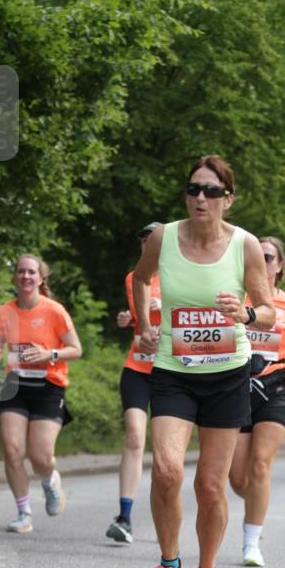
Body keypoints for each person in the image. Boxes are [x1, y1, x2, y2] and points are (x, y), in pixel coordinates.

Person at [132, 155, 274, 568]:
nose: (200, 197)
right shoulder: (164, 237)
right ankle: (169, 565)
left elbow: (269, 310)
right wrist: (144, 327)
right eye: (194, 188)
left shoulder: (246, 246)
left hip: (227, 375)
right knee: (168, 470)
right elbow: (139, 279)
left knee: (210, 486)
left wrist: (246, 314)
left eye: (211, 191)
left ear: (227, 200)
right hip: (175, 371)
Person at [229, 237, 285, 566]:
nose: (261, 261)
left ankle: (251, 542)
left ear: (279, 266)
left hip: (275, 387)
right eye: (256, 255)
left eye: (267, 256)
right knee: (237, 478)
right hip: (236, 386)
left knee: (261, 464)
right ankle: (257, 507)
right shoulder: (237, 299)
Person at [0, 254, 83, 533]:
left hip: (48, 387)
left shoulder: (54, 311)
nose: (26, 276)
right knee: (12, 449)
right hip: (15, 385)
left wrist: (49, 353)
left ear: (41, 279)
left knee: (40, 456)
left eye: (31, 272)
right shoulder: (4, 312)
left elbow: (76, 349)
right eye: (21, 272)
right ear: (15, 277)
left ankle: (49, 479)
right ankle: (23, 513)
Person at [107, 222, 162, 544]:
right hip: (137, 366)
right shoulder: (132, 278)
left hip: (171, 370)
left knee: (167, 452)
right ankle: (124, 516)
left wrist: (165, 307)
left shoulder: (181, 276)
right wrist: (128, 319)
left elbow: (202, 313)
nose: (146, 244)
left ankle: (165, 513)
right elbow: (139, 320)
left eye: (152, 239)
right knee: (134, 436)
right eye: (143, 240)